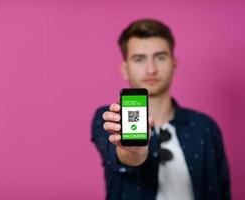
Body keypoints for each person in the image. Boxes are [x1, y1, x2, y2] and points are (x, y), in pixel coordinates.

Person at [91, 18, 231, 200]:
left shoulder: (205, 126)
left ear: (173, 64)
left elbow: (222, 191)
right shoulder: (108, 118)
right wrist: (133, 151)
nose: (151, 69)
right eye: (139, 59)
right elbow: (123, 156)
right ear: (125, 69)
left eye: (160, 57)